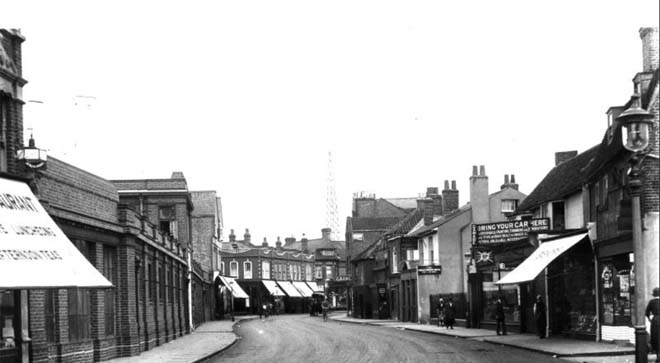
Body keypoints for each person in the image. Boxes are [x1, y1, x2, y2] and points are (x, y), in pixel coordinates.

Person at [646, 287, 659, 362]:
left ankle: (658, 355)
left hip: (655, 321)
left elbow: (647, 312)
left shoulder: (651, 302)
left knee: (655, 337)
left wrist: (650, 319)